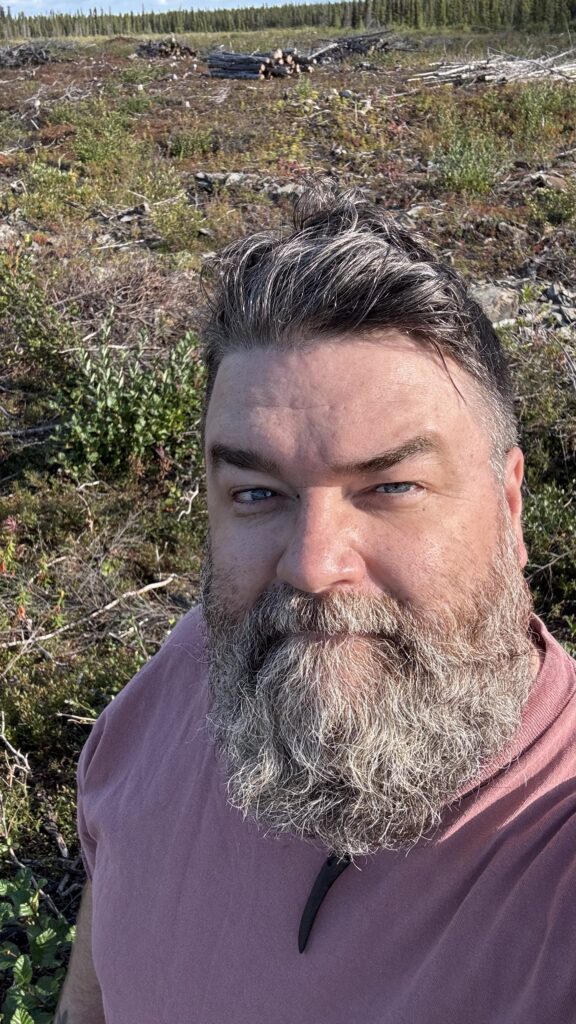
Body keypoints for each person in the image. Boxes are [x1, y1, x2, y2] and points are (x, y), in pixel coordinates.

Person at [55, 183, 576, 1024]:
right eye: (257, 493)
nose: (310, 566)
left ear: (510, 507)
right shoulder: (188, 677)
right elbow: (110, 919)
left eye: (393, 485)